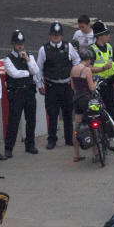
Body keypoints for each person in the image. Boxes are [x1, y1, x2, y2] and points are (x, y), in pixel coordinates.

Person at [38, 22, 80, 150]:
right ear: (50, 35)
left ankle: (69, 139)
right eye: (54, 35)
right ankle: (52, 140)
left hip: (67, 86)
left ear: (61, 35)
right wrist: (40, 84)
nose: (56, 37)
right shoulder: (43, 49)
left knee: (68, 113)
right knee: (52, 114)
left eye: (58, 35)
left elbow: (77, 61)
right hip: (52, 86)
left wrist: (74, 78)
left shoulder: (68, 47)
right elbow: (39, 68)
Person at [3, 30, 41, 158]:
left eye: (21, 43)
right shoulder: (8, 59)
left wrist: (28, 60)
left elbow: (36, 70)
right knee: (13, 121)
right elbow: (14, 74)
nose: (20, 46)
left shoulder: (29, 56)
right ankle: (9, 147)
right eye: (17, 43)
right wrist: (28, 73)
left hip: (29, 91)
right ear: (13, 44)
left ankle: (30, 144)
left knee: (31, 120)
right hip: (17, 92)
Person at [69, 48, 97, 163]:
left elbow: (72, 87)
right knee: (92, 125)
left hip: (77, 99)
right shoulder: (87, 70)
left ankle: (76, 154)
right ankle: (95, 153)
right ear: (89, 59)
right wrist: (95, 83)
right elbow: (91, 88)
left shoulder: (73, 69)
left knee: (77, 125)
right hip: (86, 99)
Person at [89, 22, 114, 119]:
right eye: (106, 34)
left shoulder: (110, 47)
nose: (108, 36)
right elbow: (87, 67)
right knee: (98, 112)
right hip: (99, 86)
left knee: (111, 110)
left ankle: (111, 133)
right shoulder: (92, 50)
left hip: (111, 84)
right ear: (99, 36)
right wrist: (102, 68)